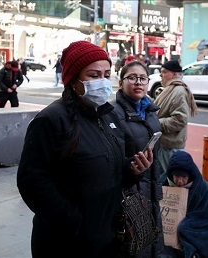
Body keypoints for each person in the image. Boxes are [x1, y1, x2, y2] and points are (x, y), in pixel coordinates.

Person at [16, 40, 154, 258]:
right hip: (66, 242)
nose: (102, 82)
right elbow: (32, 183)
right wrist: (75, 222)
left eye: (106, 75)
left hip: (108, 236)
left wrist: (133, 170)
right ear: (73, 80)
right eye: (93, 75)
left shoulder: (108, 115)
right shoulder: (51, 120)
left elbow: (111, 169)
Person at [110, 60, 164, 257]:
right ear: (121, 82)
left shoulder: (150, 111)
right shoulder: (113, 113)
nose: (138, 82)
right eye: (132, 78)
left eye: (142, 78)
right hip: (130, 190)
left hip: (150, 186)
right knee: (132, 242)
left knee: (150, 237)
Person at [153, 60, 198, 183]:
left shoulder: (178, 91)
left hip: (170, 146)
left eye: (164, 72)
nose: (161, 75)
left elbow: (180, 119)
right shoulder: (171, 89)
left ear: (174, 74)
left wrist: (156, 123)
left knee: (170, 181)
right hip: (166, 145)